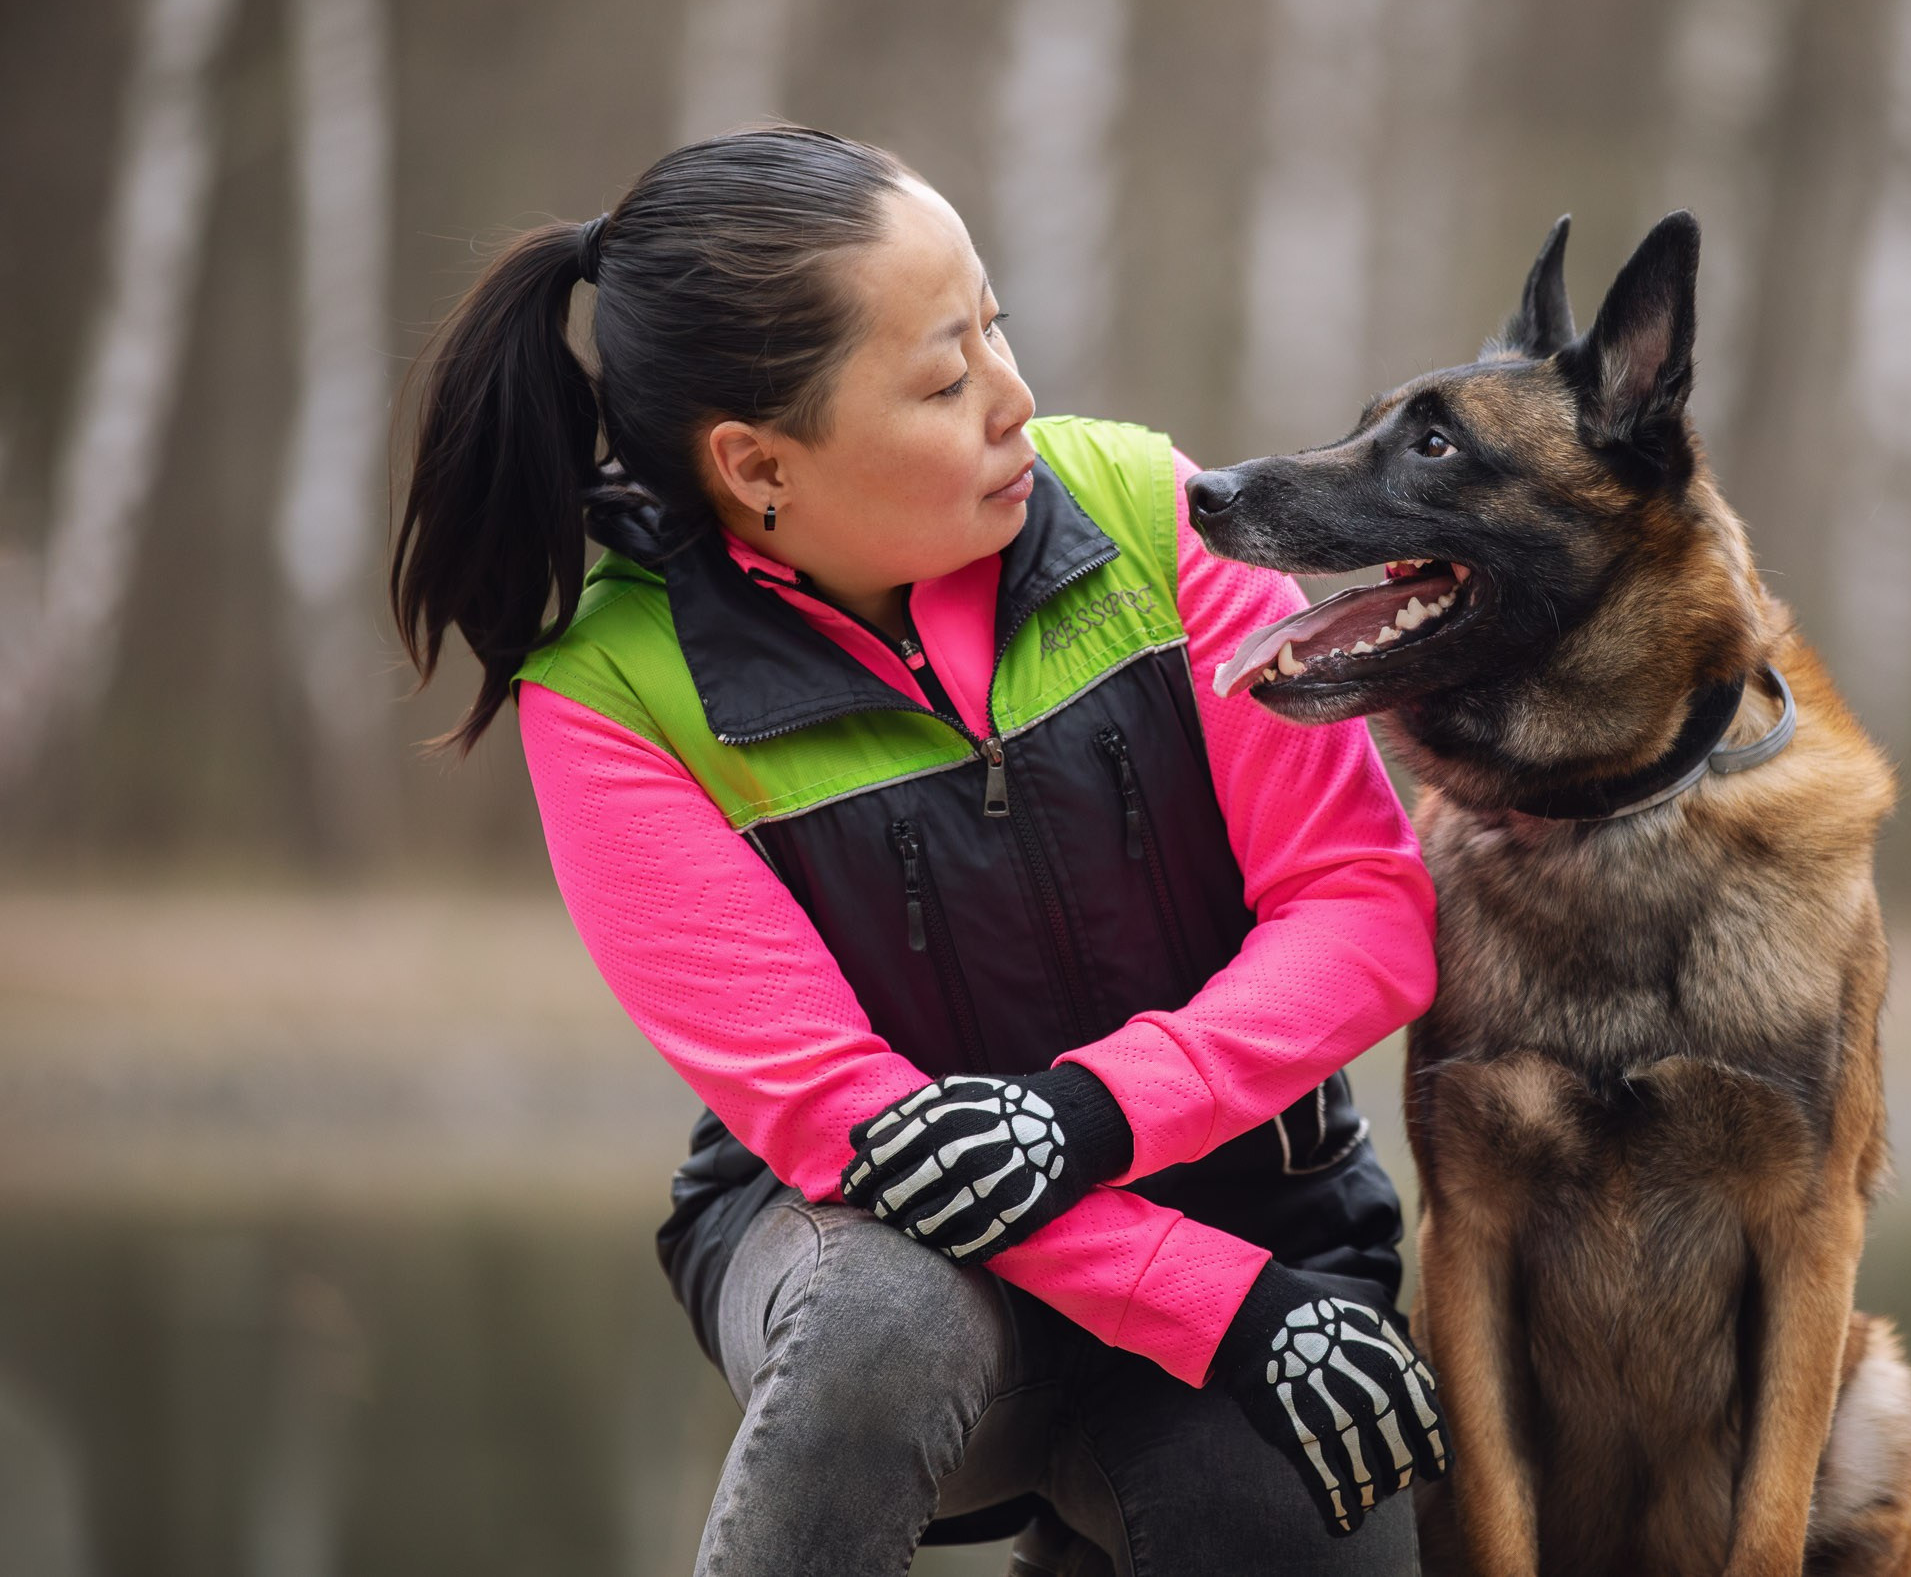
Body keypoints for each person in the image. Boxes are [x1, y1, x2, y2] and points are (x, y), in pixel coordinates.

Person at [390, 125, 1446, 1576]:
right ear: (759, 466)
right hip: (900, 1261)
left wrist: (1091, 1113)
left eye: (996, 331)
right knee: (886, 1320)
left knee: (1292, 1514)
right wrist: (1213, 1298)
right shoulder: (616, 687)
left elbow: (1363, 910)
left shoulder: (1147, 511)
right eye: (946, 379)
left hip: (1266, 1226)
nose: (1017, 400)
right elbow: (847, 1118)